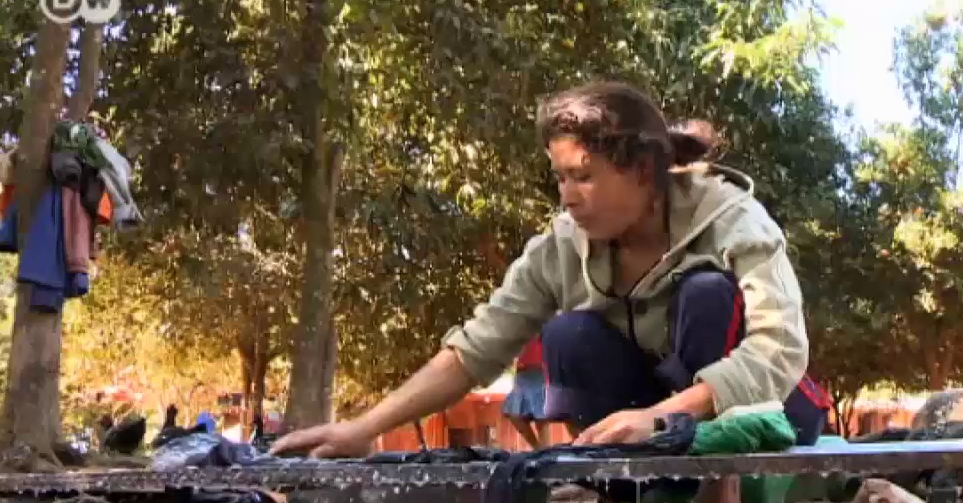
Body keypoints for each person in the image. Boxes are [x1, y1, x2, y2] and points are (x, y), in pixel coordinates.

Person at [270, 81, 826, 461]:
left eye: (583, 176)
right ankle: (623, 489)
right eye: (560, 178)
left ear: (641, 171)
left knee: (706, 294)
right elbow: (475, 349)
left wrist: (663, 418)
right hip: (651, 419)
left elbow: (779, 348)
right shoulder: (561, 245)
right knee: (568, 334)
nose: (568, 196)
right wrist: (363, 429)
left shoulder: (733, 219)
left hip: (766, 413)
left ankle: (719, 493)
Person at [503, 336, 553, 449]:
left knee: (541, 418)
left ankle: (544, 450)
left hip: (541, 369)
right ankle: (538, 448)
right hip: (522, 372)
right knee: (515, 414)